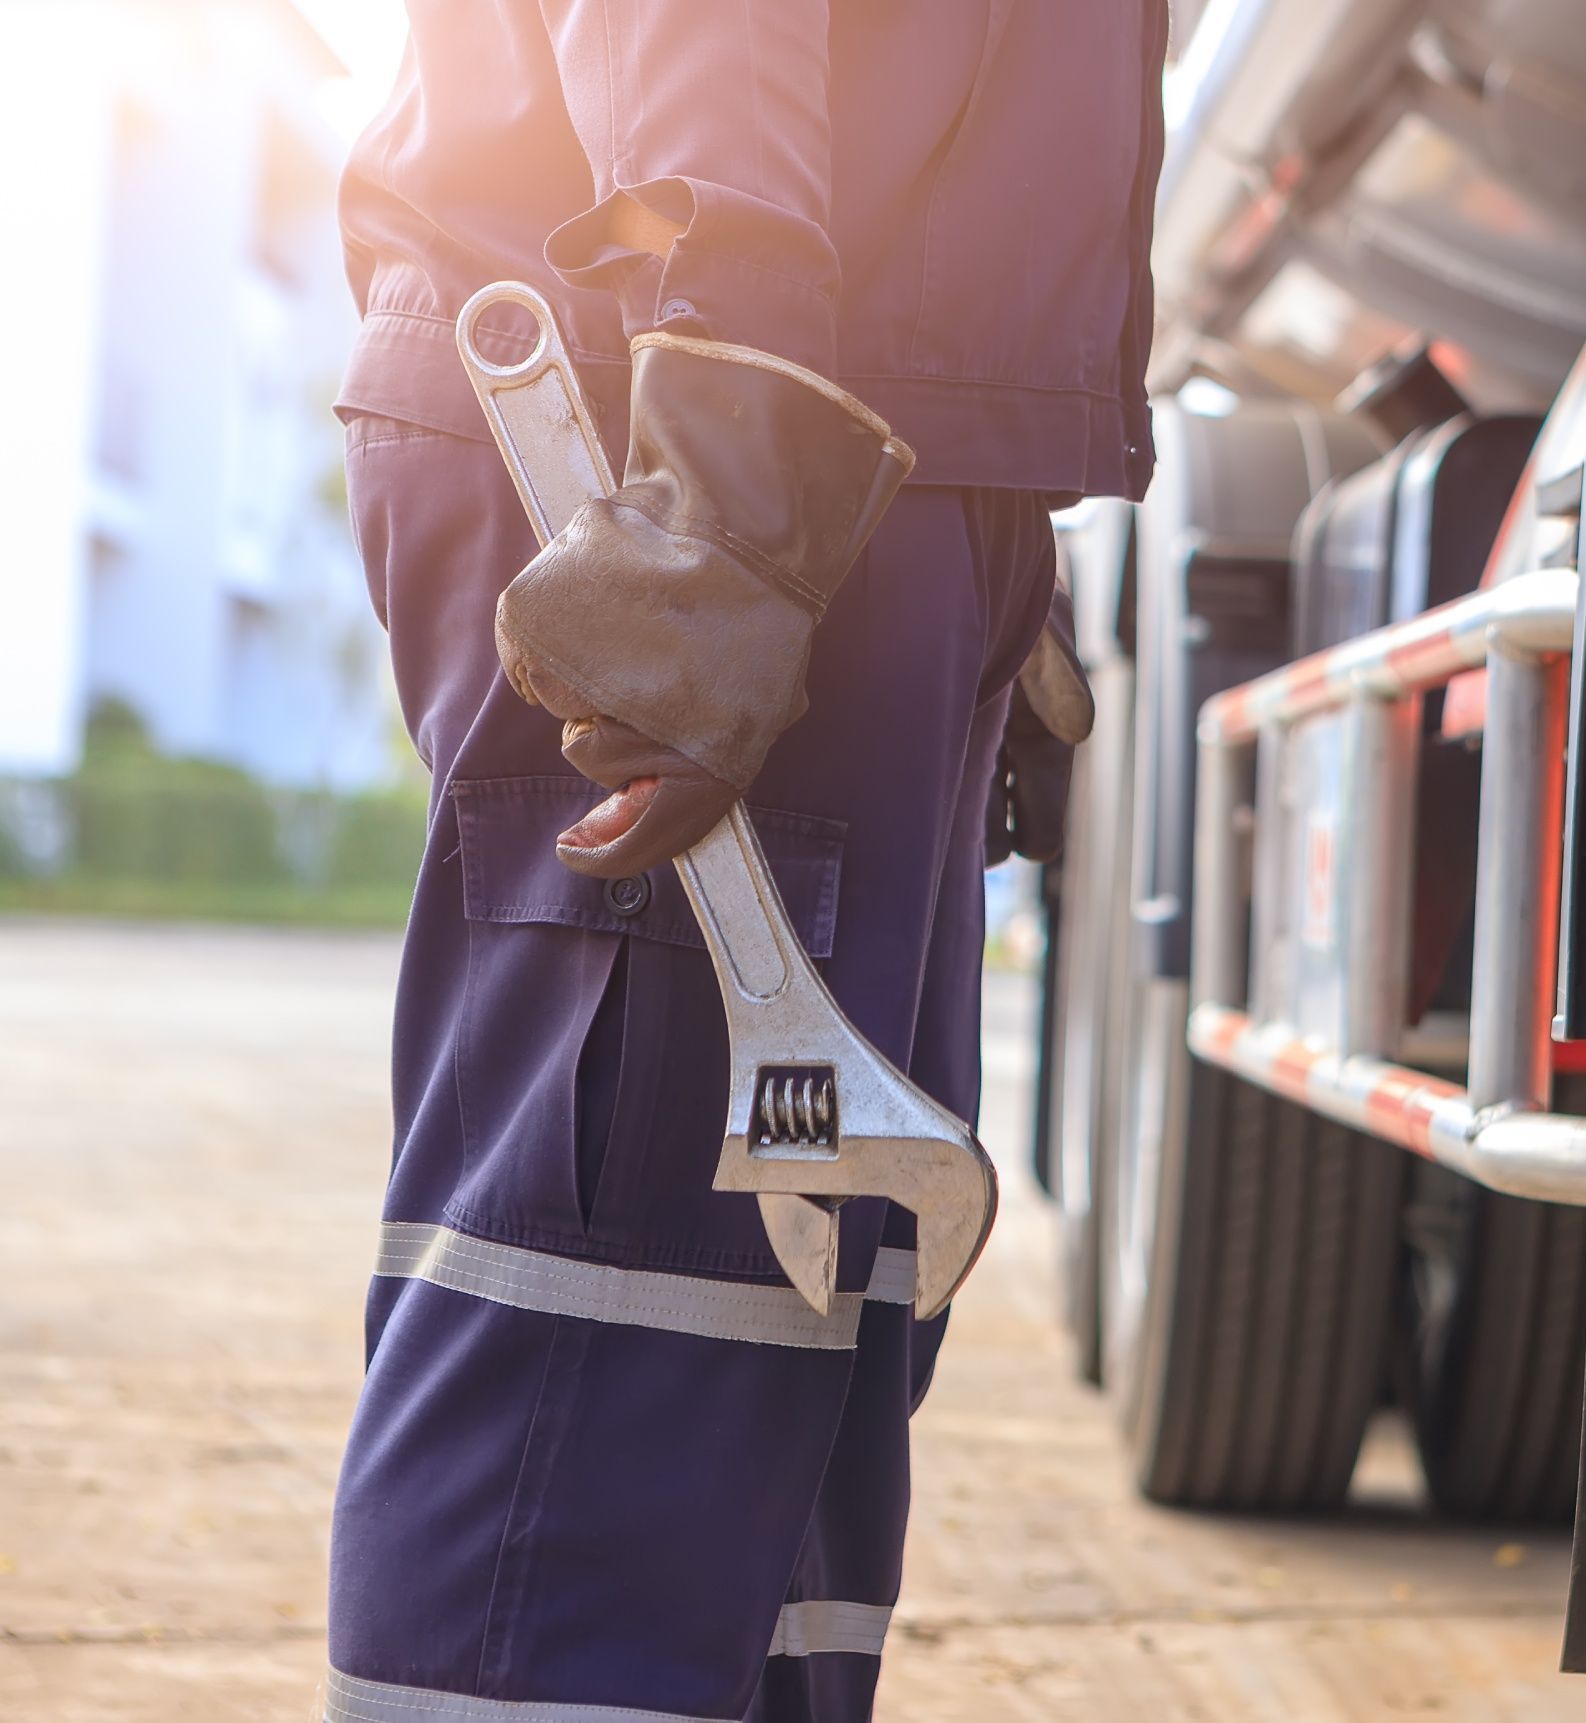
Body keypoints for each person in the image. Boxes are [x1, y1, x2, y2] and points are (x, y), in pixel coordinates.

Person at [323, 4, 1164, 1719]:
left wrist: (991, 522)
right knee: (613, 1321)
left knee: (799, 1318)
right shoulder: (734, 412)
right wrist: (729, 465)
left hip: (836, 427)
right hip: (679, 409)